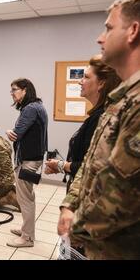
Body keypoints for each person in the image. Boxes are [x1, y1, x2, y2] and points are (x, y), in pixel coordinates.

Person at [58, 0, 140, 259]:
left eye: (108, 28)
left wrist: (76, 230)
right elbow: (91, 164)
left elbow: (120, 194)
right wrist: (69, 205)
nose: (100, 38)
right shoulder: (118, 101)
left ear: (133, 31)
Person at [45, 55, 121, 193]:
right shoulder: (98, 114)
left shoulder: (100, 118)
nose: (80, 81)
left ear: (102, 83)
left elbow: (92, 166)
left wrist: (61, 165)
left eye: (86, 77)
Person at [5, 78, 48, 248]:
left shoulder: (30, 109)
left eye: (14, 89)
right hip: (33, 157)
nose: (12, 93)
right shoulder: (38, 106)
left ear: (25, 90)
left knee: (26, 199)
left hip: (28, 160)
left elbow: (17, 133)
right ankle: (26, 230)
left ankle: (28, 238)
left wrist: (10, 131)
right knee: (26, 197)